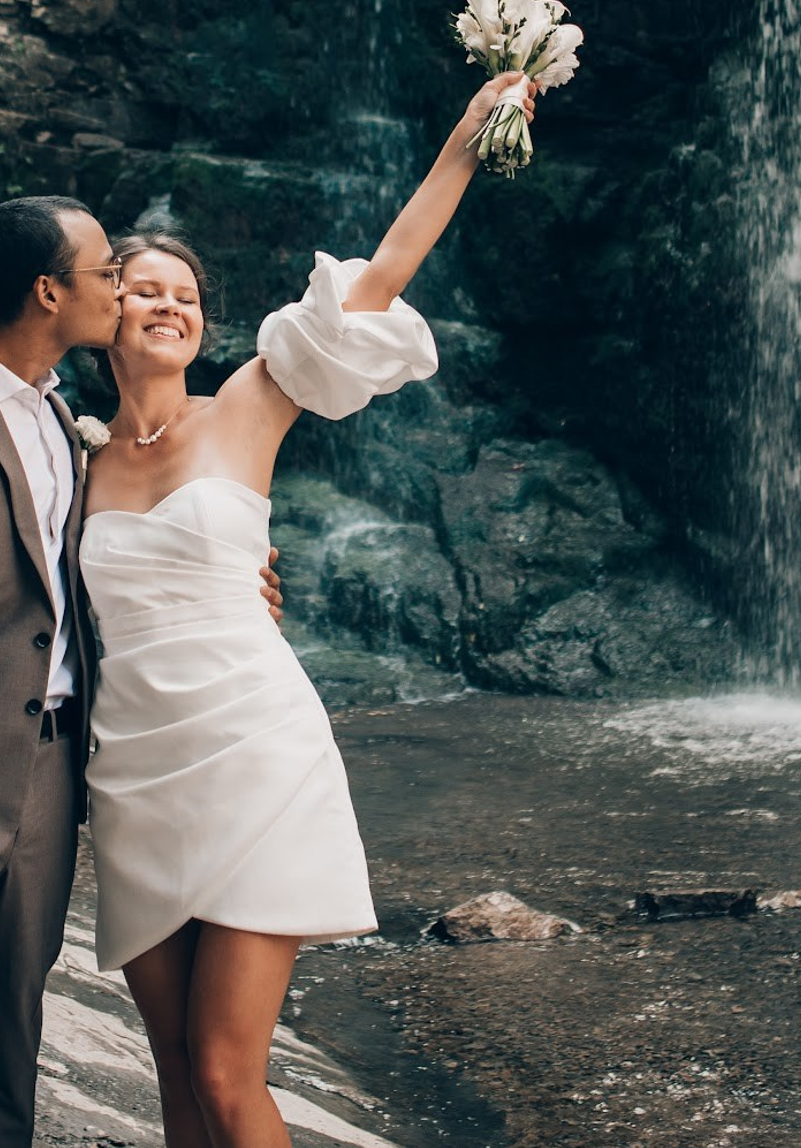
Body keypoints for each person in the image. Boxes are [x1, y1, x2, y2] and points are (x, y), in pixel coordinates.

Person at [80, 70, 536, 1148]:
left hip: (253, 750)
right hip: (132, 773)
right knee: (177, 1082)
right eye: (145, 291)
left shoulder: (246, 404)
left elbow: (380, 275)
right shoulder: (69, 459)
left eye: (186, 297)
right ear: (104, 312)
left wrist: (467, 137)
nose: (169, 307)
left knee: (230, 1076)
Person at [0, 194, 280, 1148]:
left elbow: (96, 577)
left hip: (54, 783)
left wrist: (231, 573)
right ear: (50, 293)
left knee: (13, 1046)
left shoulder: (66, 423)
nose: (124, 292)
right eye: (107, 277)